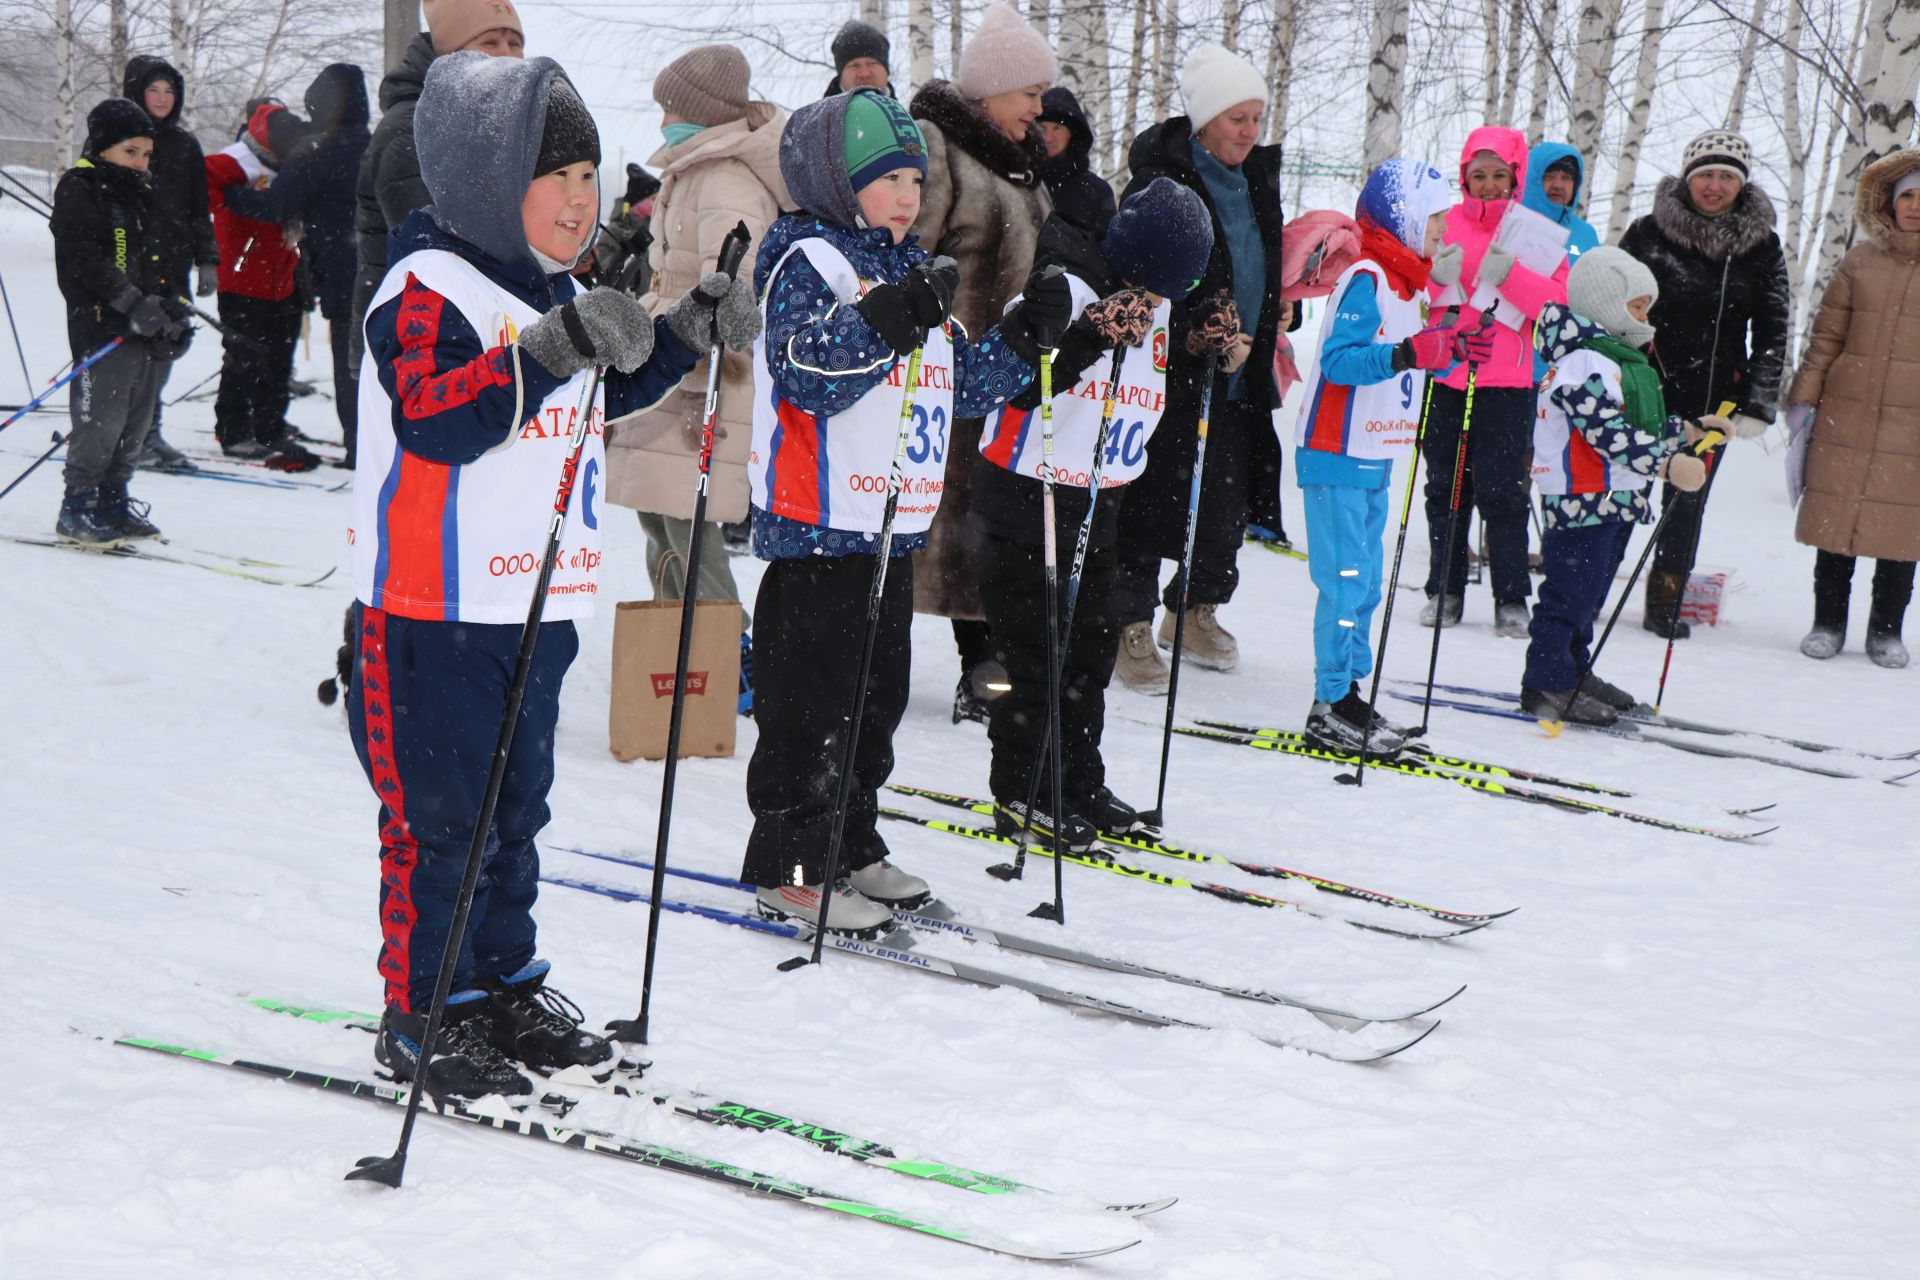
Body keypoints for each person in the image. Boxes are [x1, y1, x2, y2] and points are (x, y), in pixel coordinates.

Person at [347, 52, 752, 1097]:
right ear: (488, 181)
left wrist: (681, 333)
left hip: (535, 596)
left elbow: (599, 390)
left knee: (514, 812)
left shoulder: (556, 291)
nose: (582, 201)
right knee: (445, 822)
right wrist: (551, 347)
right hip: (431, 610)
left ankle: (496, 985)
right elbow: (438, 415)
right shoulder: (425, 286)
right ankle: (423, 1010)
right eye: (557, 178)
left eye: (590, 180)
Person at [740, 88, 1062, 934]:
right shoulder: (809, 259)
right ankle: (793, 865)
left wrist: (1026, 338)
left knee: (870, 704)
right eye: (887, 179)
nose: (909, 196)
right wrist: (888, 317)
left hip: (885, 534)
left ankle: (849, 846)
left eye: (914, 179)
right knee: (810, 709)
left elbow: (959, 388)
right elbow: (807, 369)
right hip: (819, 529)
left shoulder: (905, 272)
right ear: (838, 185)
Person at [973, 178, 1213, 846]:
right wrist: (1087, 338)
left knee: (1088, 654)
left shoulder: (1158, 308)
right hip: (1029, 495)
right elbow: (1016, 386)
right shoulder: (1065, 287)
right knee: (1036, 657)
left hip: (1100, 498)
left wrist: (1202, 346)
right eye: (1160, 283)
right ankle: (1021, 792)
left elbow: (1154, 389)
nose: (1163, 300)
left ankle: (1076, 780)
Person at [1112, 43, 1291, 691]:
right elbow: (1137, 270)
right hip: (1173, 375)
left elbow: (1256, 263)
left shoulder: (1256, 178)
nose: (1249, 132)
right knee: (1150, 498)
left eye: (1256, 118)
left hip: (1243, 371)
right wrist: (1198, 326)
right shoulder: (1165, 178)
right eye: (1237, 118)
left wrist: (1275, 313)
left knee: (1223, 506)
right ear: (1204, 118)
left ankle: (1191, 609)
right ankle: (1126, 621)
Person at [604, 45, 789, 645]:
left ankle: (722, 650)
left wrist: (684, 343)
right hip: (668, 368)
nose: (661, 121)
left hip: (698, 381)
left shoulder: (726, 180)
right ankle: (674, 647)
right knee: (662, 522)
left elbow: (731, 289)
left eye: (669, 109)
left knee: (690, 530)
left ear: (702, 112)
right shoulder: (695, 171)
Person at [908, 1, 1058, 724]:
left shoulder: (1024, 170)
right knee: (917, 523)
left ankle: (982, 671)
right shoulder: (941, 151)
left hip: (1005, 382)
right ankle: (872, 661)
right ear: (993, 87)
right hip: (940, 380)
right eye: (1029, 91)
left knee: (976, 532)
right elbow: (907, 253)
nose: (1039, 105)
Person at [1292, 158, 1458, 753]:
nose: (1441, 232)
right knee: (1343, 580)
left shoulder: (1408, 285)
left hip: (1375, 452)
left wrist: (1449, 346)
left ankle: (1350, 695)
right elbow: (1339, 361)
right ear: (1404, 217)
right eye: (1433, 220)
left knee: (1364, 586)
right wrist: (1412, 352)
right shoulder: (1367, 275)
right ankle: (1329, 701)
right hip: (1336, 451)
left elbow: (1409, 357)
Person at [1524, 249, 1719, 724]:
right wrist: (1668, 465)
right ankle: (1547, 682)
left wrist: (1689, 432)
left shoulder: (1620, 362)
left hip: (1615, 500)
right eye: (1637, 306)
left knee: (1589, 596)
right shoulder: (1581, 364)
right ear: (1606, 303)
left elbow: (1640, 428)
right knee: (1569, 593)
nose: (1645, 318)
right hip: (1580, 500)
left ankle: (1573, 669)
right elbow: (1608, 435)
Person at [1618, 129, 1787, 639]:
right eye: (1705, 175)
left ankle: (1664, 603)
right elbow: (1610, 302)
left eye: (1726, 177)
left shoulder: (1762, 247)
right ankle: (1591, 583)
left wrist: (1758, 399)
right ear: (1688, 179)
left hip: (1716, 400)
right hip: (1643, 388)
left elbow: (1774, 326)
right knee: (1621, 490)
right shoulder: (1647, 233)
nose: (1714, 186)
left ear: (1741, 185)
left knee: (1686, 501)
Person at [1419, 126, 1568, 639]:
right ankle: (1445, 586)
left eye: (1498, 175)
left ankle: (1510, 596)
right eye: (1477, 176)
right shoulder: (1445, 225)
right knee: (1445, 487)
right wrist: (1437, 278)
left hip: (1508, 382)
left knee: (1504, 493)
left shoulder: (1533, 230)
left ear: (1515, 177)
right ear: (1464, 178)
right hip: (1450, 377)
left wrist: (1510, 276)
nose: (1487, 185)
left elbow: (1555, 306)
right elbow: (1419, 297)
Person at [351, 0, 526, 425]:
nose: (506, 53)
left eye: (515, 42)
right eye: (489, 41)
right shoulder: (414, 126)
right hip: (416, 352)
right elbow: (443, 247)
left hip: (464, 341)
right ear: (449, 52)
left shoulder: (490, 121)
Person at [1785, 148, 1920, 669]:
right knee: (1836, 524)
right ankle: (1828, 622)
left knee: (1902, 531)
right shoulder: (1860, 261)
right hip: (1848, 408)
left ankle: (1886, 631)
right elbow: (1826, 338)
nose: (1914, 206)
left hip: (1911, 424)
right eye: (1906, 195)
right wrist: (1804, 398)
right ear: (1888, 201)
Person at [214, 64, 370, 464]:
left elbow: (276, 204)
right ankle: (376, 442)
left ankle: (359, 445)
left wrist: (228, 195)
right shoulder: (371, 141)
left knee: (348, 361)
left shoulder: (321, 148)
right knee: (374, 361)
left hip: (340, 269)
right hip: (379, 268)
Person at [50, 99, 189, 544]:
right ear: (106, 147)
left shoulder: (141, 193)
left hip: (142, 329)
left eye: (146, 154)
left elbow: (157, 258)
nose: (140, 162)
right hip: (101, 326)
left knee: (136, 421)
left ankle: (113, 499)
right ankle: (78, 506)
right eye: (131, 152)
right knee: (102, 420)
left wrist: (171, 308)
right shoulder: (80, 187)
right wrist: (131, 302)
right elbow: (84, 260)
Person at [205, 102, 319, 470]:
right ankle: (235, 431)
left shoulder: (291, 166)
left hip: (282, 280)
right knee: (243, 358)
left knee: (278, 360)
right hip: (242, 279)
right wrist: (236, 203)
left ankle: (269, 427)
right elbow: (200, 182)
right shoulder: (238, 160)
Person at [120, 55, 215, 474]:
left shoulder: (184, 145)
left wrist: (208, 259)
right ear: (137, 92)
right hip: (129, 266)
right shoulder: (117, 139)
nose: (162, 98)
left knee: (167, 346)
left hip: (172, 266)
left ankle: (148, 430)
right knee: (130, 350)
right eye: (153, 90)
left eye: (169, 91)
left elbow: (199, 209)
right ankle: (125, 434)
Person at [1036, 86, 1115, 235]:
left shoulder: (1096, 191)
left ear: (1071, 134)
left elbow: (1107, 251)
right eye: (1042, 127)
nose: (1048, 137)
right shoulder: (1022, 182)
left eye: (1057, 128)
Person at [824, 18, 892, 96]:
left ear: (886, 71)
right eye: (855, 65)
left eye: (872, 63)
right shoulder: (814, 108)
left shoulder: (905, 108)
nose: (864, 74)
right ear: (841, 75)